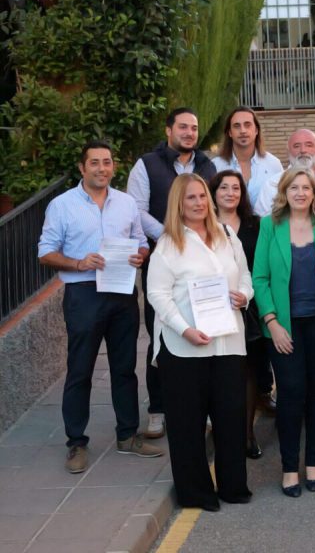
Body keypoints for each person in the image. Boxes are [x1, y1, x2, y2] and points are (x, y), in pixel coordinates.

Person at [39, 140, 163, 474]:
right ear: (82, 168)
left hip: (122, 292)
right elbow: (45, 252)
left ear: (113, 167)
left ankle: (127, 435)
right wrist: (79, 263)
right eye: (94, 162)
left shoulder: (126, 203)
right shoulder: (62, 205)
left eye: (107, 162)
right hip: (83, 294)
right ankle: (76, 442)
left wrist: (141, 256)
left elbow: (141, 242)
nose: (101, 168)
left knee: (125, 368)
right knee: (80, 370)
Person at [147, 174, 253, 510]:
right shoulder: (168, 245)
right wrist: (184, 330)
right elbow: (157, 295)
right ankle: (196, 494)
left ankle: (233, 488)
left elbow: (245, 275)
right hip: (185, 348)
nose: (198, 203)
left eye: (202, 196)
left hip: (228, 343)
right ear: (178, 204)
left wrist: (244, 295)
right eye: (190, 198)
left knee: (231, 419)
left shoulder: (227, 235)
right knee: (188, 425)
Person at [252, 168, 315, 497]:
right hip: (284, 326)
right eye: (293, 187)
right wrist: (272, 322)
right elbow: (260, 278)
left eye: (306, 188)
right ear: (284, 192)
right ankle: (288, 467)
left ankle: (313, 462)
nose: (300, 193)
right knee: (291, 393)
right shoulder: (270, 225)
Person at [127, 107, 218, 440]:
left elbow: (214, 208)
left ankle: (201, 407)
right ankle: (158, 408)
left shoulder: (208, 166)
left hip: (202, 264)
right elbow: (136, 210)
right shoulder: (146, 165)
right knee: (162, 334)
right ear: (169, 130)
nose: (189, 133)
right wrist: (170, 234)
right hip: (164, 260)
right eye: (183, 127)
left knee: (202, 330)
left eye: (194, 128)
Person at [211, 170, 269, 460]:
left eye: (236, 188)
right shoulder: (202, 225)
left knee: (248, 372)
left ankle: (247, 435)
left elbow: (263, 265)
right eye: (224, 187)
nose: (230, 193)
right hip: (212, 309)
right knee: (220, 374)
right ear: (214, 193)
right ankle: (222, 433)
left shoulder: (256, 225)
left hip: (249, 308)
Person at [212, 106, 284, 209]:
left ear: (256, 130)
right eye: (237, 126)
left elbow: (282, 200)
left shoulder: (273, 164)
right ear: (230, 132)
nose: (243, 131)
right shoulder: (216, 165)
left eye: (247, 125)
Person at [254, 129, 315, 217]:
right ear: (288, 153)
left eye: (309, 145)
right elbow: (262, 220)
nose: (303, 150)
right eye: (296, 146)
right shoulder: (272, 184)